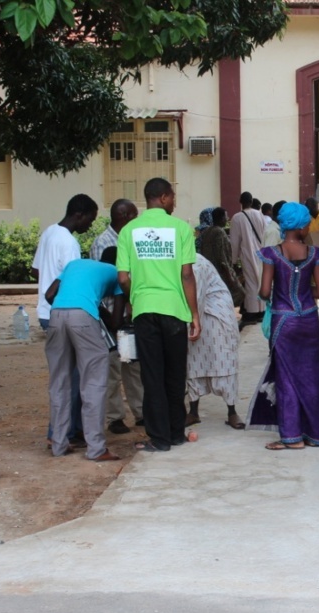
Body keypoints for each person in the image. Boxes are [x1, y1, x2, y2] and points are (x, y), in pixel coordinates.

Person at [116, 177, 201, 453]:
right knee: (175, 375)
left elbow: (123, 278)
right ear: (163, 198)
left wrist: (134, 298)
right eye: (173, 196)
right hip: (175, 311)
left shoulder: (128, 231)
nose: (174, 202)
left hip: (145, 310)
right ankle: (176, 433)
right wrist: (194, 315)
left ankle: (159, 438)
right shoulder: (181, 229)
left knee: (152, 375)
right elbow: (187, 274)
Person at [247, 202, 319, 450]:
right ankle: (314, 434)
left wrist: (276, 294)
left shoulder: (272, 254)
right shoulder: (315, 254)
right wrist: (304, 289)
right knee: (311, 377)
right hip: (309, 320)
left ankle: (292, 437)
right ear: (303, 226)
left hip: (284, 321)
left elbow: (263, 291)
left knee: (286, 379)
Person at [44, 247, 124, 461]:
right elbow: (116, 322)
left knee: (59, 382)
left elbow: (49, 294)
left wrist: (73, 310)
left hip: (56, 315)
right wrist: (87, 311)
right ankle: (96, 448)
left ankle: (59, 444)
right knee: (94, 382)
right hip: (83, 318)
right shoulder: (118, 274)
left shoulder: (76, 264)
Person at [31, 193, 99, 447]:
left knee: (69, 374)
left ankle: (75, 429)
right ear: (78, 215)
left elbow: (36, 269)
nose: (90, 226)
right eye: (90, 220)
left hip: (45, 313)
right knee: (72, 378)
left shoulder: (49, 232)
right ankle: (60, 434)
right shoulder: (69, 243)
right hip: (64, 312)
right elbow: (75, 280)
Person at [90, 198, 144, 434]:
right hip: (110, 313)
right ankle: (115, 417)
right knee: (112, 368)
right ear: (124, 216)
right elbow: (100, 283)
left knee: (132, 366)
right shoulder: (103, 243)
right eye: (134, 215)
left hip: (130, 314)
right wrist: (110, 318)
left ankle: (141, 411)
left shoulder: (132, 238)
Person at [185, 254, 244, 430]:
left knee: (223, 361)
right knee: (193, 362)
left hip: (215, 316)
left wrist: (190, 323)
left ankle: (232, 412)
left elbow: (197, 297)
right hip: (197, 315)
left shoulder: (195, 265)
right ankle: (193, 411)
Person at [230, 191, 268, 329]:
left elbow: (234, 241)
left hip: (247, 253)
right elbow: (265, 234)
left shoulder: (237, 218)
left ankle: (252, 312)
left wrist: (233, 261)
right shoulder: (260, 215)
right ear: (251, 202)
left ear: (241, 202)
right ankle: (262, 311)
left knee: (251, 283)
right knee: (260, 281)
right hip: (262, 253)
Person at [200, 207, 245, 308]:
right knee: (240, 293)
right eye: (226, 216)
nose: (227, 219)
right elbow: (223, 257)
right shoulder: (220, 232)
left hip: (208, 272)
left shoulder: (207, 232)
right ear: (221, 218)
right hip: (220, 273)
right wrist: (230, 275)